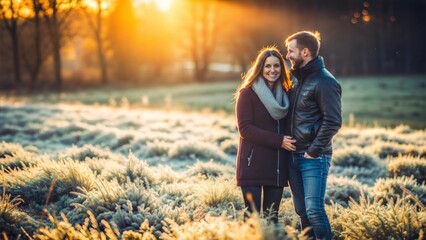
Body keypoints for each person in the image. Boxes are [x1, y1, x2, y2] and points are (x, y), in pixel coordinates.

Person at [282, 31, 342, 240]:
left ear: (305, 52)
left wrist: (314, 151)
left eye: (291, 51)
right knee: (303, 212)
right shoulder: (295, 79)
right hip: (293, 156)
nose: (287, 55)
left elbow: (333, 121)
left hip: (313, 157)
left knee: (315, 211)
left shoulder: (325, 82)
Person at [234, 46, 294, 223]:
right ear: (260, 67)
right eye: (268, 66)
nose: (272, 70)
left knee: (271, 219)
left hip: (276, 167)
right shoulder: (247, 94)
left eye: (277, 66)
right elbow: (245, 129)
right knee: (251, 219)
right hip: (252, 165)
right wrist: (279, 141)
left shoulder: (286, 95)